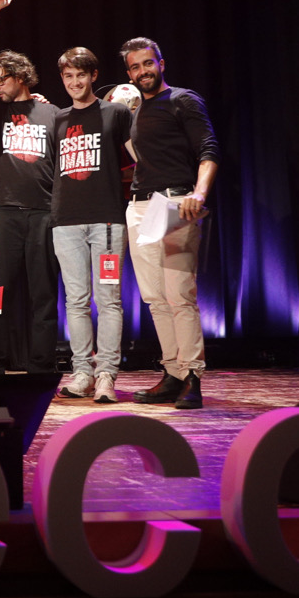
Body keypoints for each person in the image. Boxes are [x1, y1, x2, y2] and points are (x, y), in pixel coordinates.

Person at [121, 37, 219, 409]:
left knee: (179, 293)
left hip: (175, 202)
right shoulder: (132, 111)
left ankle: (192, 377)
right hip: (142, 206)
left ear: (161, 63)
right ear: (128, 74)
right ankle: (173, 372)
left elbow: (208, 148)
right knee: (155, 298)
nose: (143, 72)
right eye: (135, 67)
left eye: (148, 64)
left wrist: (199, 193)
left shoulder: (182, 99)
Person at [0, 0, 62, 376]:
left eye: (2, 78)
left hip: (42, 212)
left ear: (21, 76)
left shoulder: (53, 113)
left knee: (43, 293)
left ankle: (42, 363)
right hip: (0, 211)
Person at [51, 47, 134, 404]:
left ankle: (106, 376)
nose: (74, 82)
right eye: (68, 76)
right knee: (76, 301)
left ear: (94, 76)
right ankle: (82, 371)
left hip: (108, 222)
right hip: (66, 222)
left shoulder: (115, 112)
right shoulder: (58, 119)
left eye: (80, 75)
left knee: (109, 300)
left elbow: (138, 157)